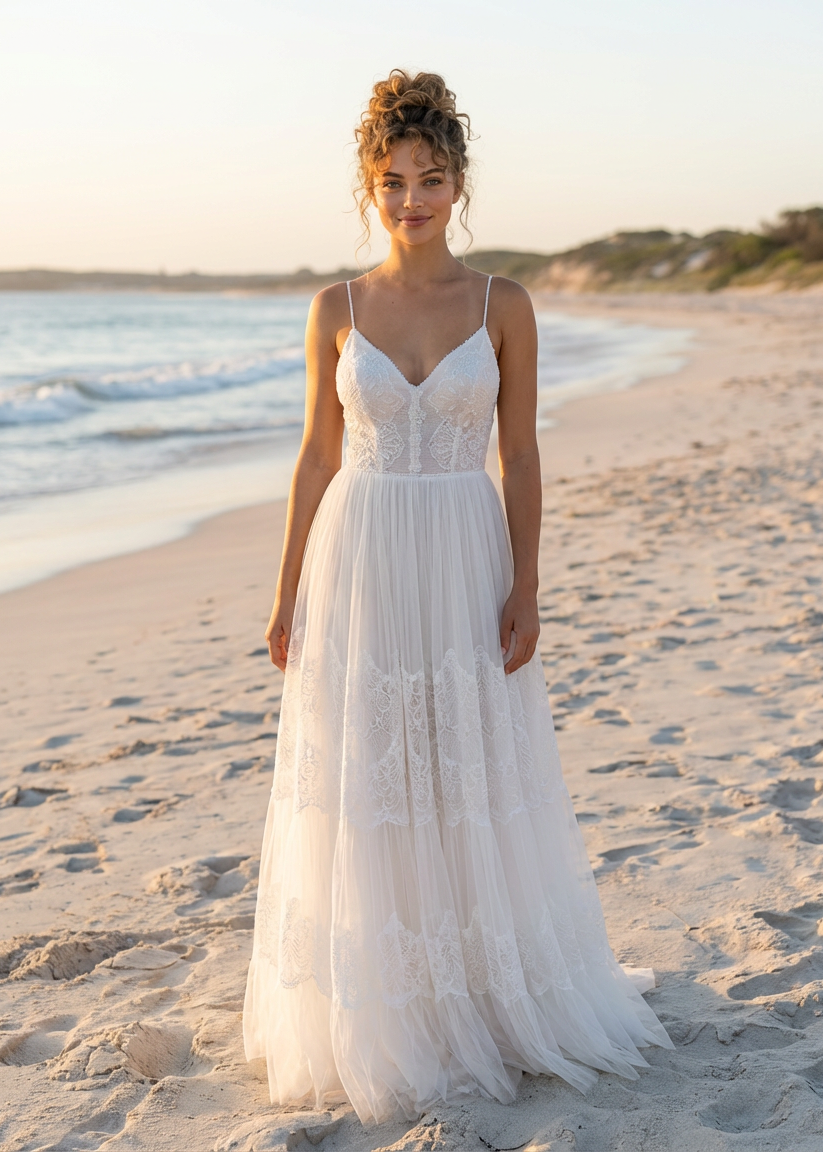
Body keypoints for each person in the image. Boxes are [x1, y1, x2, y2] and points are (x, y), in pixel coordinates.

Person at [243, 68, 671, 1125]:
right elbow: (313, 454)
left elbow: (519, 456)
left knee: (467, 761)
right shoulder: (335, 306)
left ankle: (485, 989)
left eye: (430, 179)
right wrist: (286, 591)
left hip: (463, 544)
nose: (411, 200)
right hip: (362, 551)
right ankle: (388, 1002)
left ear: (459, 183)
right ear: (367, 189)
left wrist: (527, 584)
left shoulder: (503, 304)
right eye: (391, 182)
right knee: (372, 770)